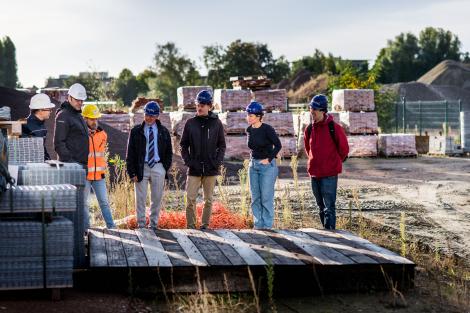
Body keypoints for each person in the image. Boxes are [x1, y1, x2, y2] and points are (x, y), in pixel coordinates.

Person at [180, 90, 226, 230]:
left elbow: (222, 145)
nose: (199, 107)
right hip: (194, 169)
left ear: (209, 106)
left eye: (203, 105)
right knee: (190, 200)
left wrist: (216, 162)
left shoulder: (217, 123)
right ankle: (191, 227)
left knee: (208, 200)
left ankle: (205, 226)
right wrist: (189, 162)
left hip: (211, 169)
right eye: (198, 104)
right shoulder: (190, 123)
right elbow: (183, 145)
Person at [304, 94, 349, 230]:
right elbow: (308, 148)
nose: (312, 113)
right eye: (311, 110)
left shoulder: (334, 128)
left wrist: (333, 162)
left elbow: (344, 149)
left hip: (329, 174)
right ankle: (326, 232)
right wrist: (315, 161)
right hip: (314, 173)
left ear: (323, 110)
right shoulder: (309, 129)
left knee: (329, 207)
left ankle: (332, 235)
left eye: (314, 111)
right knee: (320, 206)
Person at [126, 101, 172, 230]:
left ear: (157, 116)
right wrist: (132, 172)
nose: (149, 118)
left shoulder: (163, 131)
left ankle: (153, 225)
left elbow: (169, 151)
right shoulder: (136, 131)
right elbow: (130, 153)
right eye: (146, 114)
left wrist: (164, 168)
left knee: (156, 198)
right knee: (140, 199)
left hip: (158, 166)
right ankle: (141, 224)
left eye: (152, 116)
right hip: (142, 167)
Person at [246, 101, 282, 229]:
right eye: (248, 115)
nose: (248, 117)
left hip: (267, 167)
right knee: (255, 198)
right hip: (253, 166)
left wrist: (269, 159)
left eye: (251, 115)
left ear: (259, 116)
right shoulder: (249, 130)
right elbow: (253, 147)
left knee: (266, 198)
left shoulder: (267, 129)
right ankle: (258, 226)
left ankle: (267, 227)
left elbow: (278, 145)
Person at [81, 103, 116, 229]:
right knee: (84, 203)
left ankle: (112, 227)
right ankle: (86, 229)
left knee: (104, 203)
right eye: (91, 119)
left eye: (96, 118)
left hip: (99, 175)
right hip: (85, 175)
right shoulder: (81, 135)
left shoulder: (103, 134)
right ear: (84, 118)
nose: (94, 121)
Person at [53, 83, 89, 168]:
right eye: (77, 100)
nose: (80, 103)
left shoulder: (78, 115)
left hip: (81, 164)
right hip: (71, 166)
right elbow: (59, 143)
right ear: (69, 97)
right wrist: (71, 163)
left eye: (82, 100)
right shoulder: (63, 115)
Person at [22, 93, 55, 160]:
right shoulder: (25, 126)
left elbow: (42, 149)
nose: (50, 112)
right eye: (49, 109)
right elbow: (26, 153)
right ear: (40, 109)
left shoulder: (42, 126)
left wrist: (49, 160)